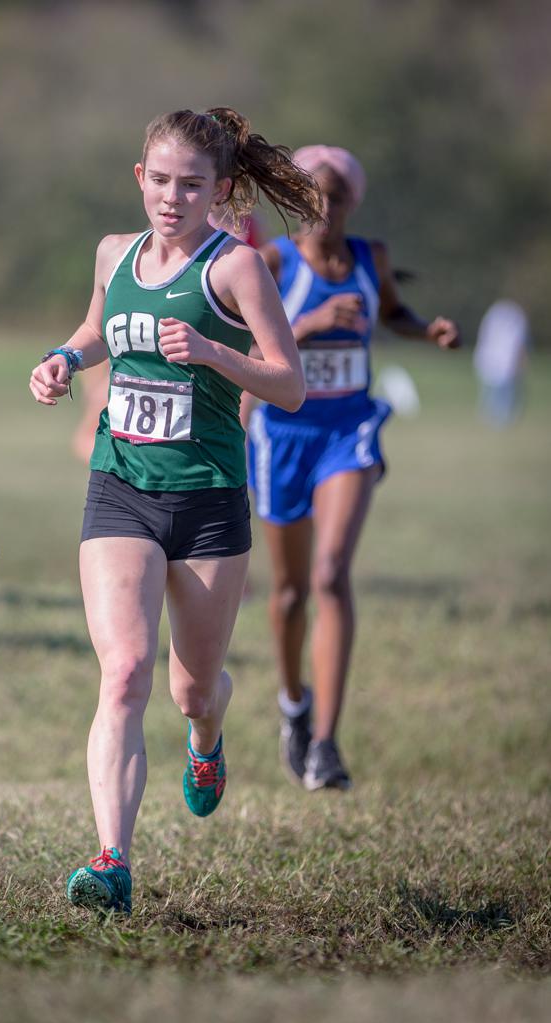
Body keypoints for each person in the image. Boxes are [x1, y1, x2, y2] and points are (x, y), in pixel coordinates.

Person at [29, 108, 322, 913]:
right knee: (123, 672)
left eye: (192, 185)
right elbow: (97, 329)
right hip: (119, 485)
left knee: (191, 689)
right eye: (159, 180)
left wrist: (216, 353)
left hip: (209, 501)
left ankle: (207, 738)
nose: (172, 197)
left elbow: (289, 385)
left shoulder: (237, 271)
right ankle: (112, 862)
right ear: (139, 178)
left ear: (220, 190)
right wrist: (62, 358)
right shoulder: (113, 255)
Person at [247, 145, 459, 792]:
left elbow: (392, 311)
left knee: (332, 574)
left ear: (352, 201)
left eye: (335, 194)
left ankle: (327, 748)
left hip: (350, 430)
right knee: (289, 595)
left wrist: (427, 331)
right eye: (310, 192)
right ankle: (294, 706)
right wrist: (308, 323)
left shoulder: (371, 258)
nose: (323, 205)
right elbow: (246, 340)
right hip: (282, 434)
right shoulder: (273, 262)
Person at [71, 208, 269, 465]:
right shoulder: (178, 216)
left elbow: (262, 295)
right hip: (152, 351)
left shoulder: (251, 227)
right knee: (97, 427)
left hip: (221, 369)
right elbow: (140, 294)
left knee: (233, 439)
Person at [473, 298, 529, 426]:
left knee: (491, 399)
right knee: (502, 401)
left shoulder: (493, 316)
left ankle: (494, 422)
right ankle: (499, 423)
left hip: (490, 362)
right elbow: (520, 346)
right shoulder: (516, 320)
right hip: (503, 364)